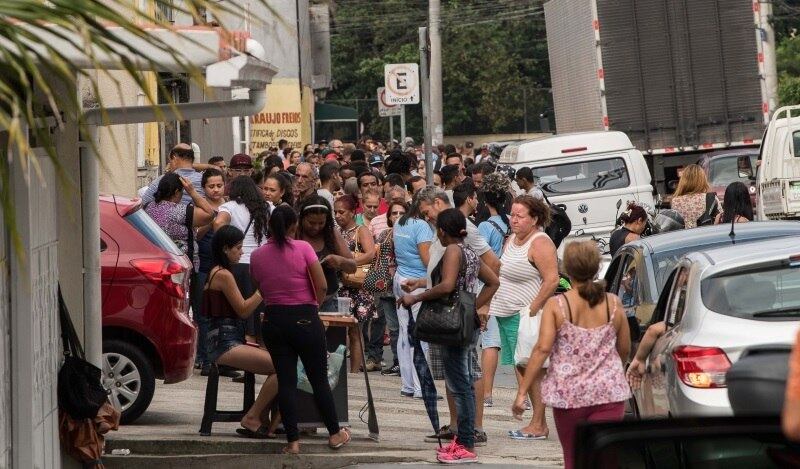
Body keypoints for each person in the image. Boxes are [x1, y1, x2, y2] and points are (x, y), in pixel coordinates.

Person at [513, 240, 631, 469]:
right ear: (596, 268)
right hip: (608, 393)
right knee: (606, 459)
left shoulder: (557, 305)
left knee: (574, 458)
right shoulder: (613, 304)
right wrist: (615, 370)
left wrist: (522, 391)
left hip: (569, 396)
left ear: (567, 268)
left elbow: (542, 349)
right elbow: (624, 347)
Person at [399, 209, 500, 464]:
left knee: (459, 385)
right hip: (464, 322)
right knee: (462, 382)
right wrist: (474, 306)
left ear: (442, 231)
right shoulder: (469, 251)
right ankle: (462, 440)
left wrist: (416, 297)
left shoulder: (453, 250)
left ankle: (465, 443)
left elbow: (447, 285)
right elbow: (493, 282)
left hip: (451, 325)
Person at [250, 205, 351, 454]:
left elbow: (259, 285)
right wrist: (312, 306)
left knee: (286, 381)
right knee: (319, 379)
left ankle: (293, 441)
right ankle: (335, 433)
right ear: (294, 226)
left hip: (273, 319)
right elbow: (323, 285)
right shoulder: (304, 248)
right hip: (304, 317)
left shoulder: (257, 255)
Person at [488, 195, 559, 441]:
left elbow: (552, 279)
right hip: (506, 314)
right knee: (520, 367)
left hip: (526, 315)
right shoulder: (511, 240)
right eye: (512, 214)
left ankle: (539, 424)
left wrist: (533, 308)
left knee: (532, 370)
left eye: (520, 216)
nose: (514, 219)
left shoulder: (540, 242)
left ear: (535, 219)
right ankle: (535, 421)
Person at [201, 225, 280, 438]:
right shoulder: (223, 274)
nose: (241, 252)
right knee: (283, 367)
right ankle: (253, 416)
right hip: (224, 344)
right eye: (237, 248)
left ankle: (260, 417)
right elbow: (244, 310)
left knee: (281, 361)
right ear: (225, 249)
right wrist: (263, 289)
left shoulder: (218, 271)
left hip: (226, 340)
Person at [213, 176, 270, 343]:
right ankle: (255, 361)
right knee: (257, 317)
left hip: (238, 266)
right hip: (262, 266)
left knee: (240, 317)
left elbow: (218, 223)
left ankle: (241, 356)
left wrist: (227, 245)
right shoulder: (267, 208)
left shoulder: (229, 206)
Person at [476, 172, 512, 408]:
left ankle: (486, 394)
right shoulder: (511, 221)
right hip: (510, 284)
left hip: (489, 284)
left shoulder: (484, 226)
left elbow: (479, 257)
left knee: (489, 341)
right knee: (512, 339)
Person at [393, 192, 434, 398]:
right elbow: (428, 261)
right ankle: (422, 387)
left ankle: (408, 385)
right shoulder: (421, 227)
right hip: (416, 283)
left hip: (400, 278)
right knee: (420, 336)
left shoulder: (400, 222)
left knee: (404, 334)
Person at [333, 194, 376, 372]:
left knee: (355, 332)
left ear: (352, 212)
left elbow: (371, 253)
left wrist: (348, 263)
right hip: (340, 288)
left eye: (341, 212)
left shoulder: (361, 230)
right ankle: (340, 370)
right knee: (339, 331)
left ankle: (354, 372)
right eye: (335, 212)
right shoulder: (335, 231)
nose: (337, 215)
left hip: (357, 289)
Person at [297, 196, 356, 312]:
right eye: (311, 222)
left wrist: (340, 261)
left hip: (328, 303)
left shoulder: (331, 234)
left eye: (321, 223)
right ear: (302, 218)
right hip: (300, 302)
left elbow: (352, 267)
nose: (316, 227)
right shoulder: (295, 233)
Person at [193, 168, 226, 374]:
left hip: (223, 268)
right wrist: (210, 220)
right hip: (203, 267)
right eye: (211, 186)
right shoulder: (197, 207)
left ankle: (222, 358)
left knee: (222, 314)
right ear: (203, 188)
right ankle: (204, 358)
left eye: (219, 185)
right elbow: (195, 236)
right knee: (202, 313)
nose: (215, 190)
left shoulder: (229, 206)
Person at [144, 173, 215, 259]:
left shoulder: (148, 207)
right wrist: (192, 191)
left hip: (156, 258)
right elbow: (210, 214)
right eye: (182, 191)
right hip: (180, 263)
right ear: (176, 192)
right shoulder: (182, 211)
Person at [377, 201, 407, 376]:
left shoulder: (409, 234)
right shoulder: (384, 235)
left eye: (401, 213)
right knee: (394, 327)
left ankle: (407, 362)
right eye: (394, 213)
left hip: (405, 286)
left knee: (406, 326)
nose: (397, 216)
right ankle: (397, 361)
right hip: (386, 287)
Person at [671, 164, 720, 229]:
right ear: (702, 180)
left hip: (684, 237)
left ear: (683, 181)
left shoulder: (675, 201)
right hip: (705, 235)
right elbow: (720, 218)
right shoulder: (710, 198)